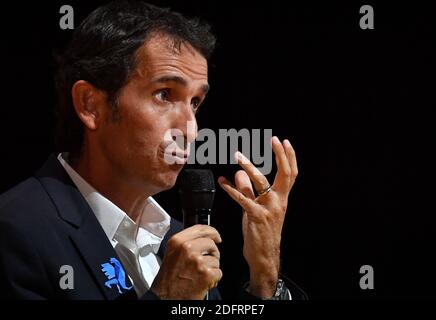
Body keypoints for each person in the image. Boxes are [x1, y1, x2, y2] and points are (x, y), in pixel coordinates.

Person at [0, 0, 306, 300]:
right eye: (164, 94)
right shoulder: (16, 228)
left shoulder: (177, 239)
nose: (190, 130)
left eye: (195, 102)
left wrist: (264, 275)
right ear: (90, 105)